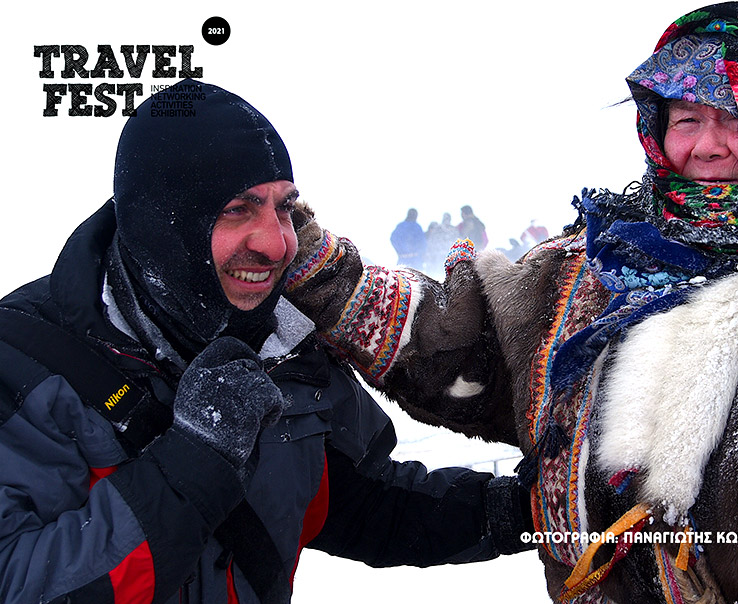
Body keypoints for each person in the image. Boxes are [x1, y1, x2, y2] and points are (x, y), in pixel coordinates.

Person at [283, 3, 738, 602]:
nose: (707, 146)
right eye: (687, 118)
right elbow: (460, 348)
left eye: (737, 118)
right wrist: (310, 264)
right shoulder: (606, 259)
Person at [0, 79, 534, 604]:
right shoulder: (23, 361)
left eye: (284, 208)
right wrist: (195, 460)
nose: (279, 242)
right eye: (238, 209)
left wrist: (523, 512)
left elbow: (363, 502)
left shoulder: (287, 342)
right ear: (162, 222)